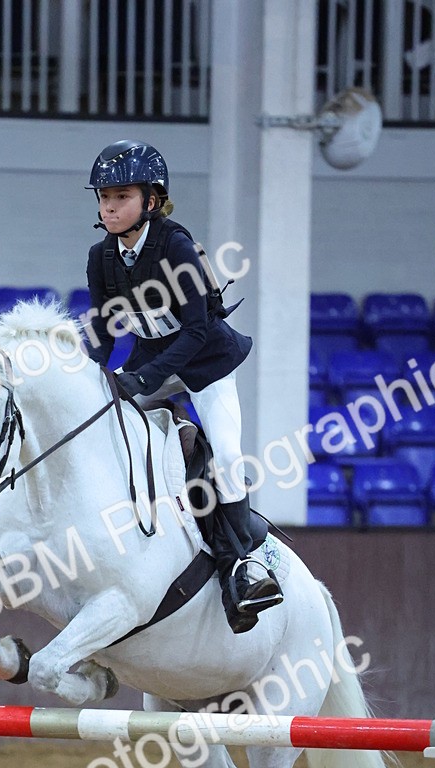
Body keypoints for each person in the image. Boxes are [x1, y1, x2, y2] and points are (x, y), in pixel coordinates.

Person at [83, 139, 283, 635]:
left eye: (122, 196)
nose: (110, 207)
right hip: (152, 359)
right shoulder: (101, 256)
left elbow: (195, 332)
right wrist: (92, 379)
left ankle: (245, 565)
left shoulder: (176, 247)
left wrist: (145, 378)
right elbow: (103, 331)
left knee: (229, 455)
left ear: (151, 200)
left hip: (205, 362)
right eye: (104, 197)